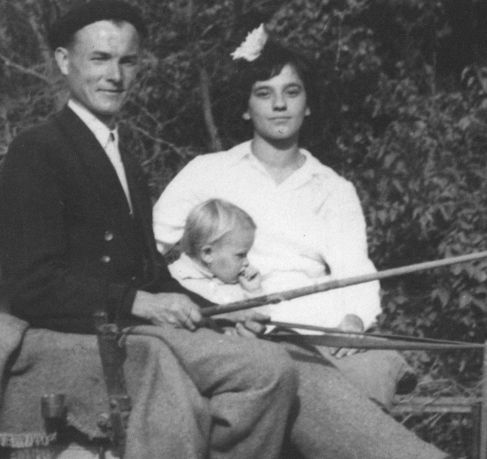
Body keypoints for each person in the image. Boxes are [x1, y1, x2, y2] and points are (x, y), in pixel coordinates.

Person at [0, 0, 468, 459]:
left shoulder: (120, 153)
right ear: (64, 62)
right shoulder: (39, 149)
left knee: (287, 354)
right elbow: (32, 283)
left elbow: (152, 270)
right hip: (88, 337)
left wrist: (217, 313)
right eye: (99, 59)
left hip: (128, 321)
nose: (115, 75)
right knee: (265, 368)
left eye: (128, 61)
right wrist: (140, 302)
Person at [154, 32, 407, 406]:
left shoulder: (333, 189)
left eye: (292, 92)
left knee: (372, 373)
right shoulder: (206, 171)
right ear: (245, 108)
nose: (279, 105)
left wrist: (354, 322)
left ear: (308, 104)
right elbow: (150, 246)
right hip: (229, 328)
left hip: (314, 331)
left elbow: (356, 273)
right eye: (263, 93)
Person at [165, 198, 266, 312]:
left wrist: (254, 292)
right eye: (240, 255)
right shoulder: (172, 278)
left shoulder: (242, 284)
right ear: (207, 253)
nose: (247, 262)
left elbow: (263, 319)